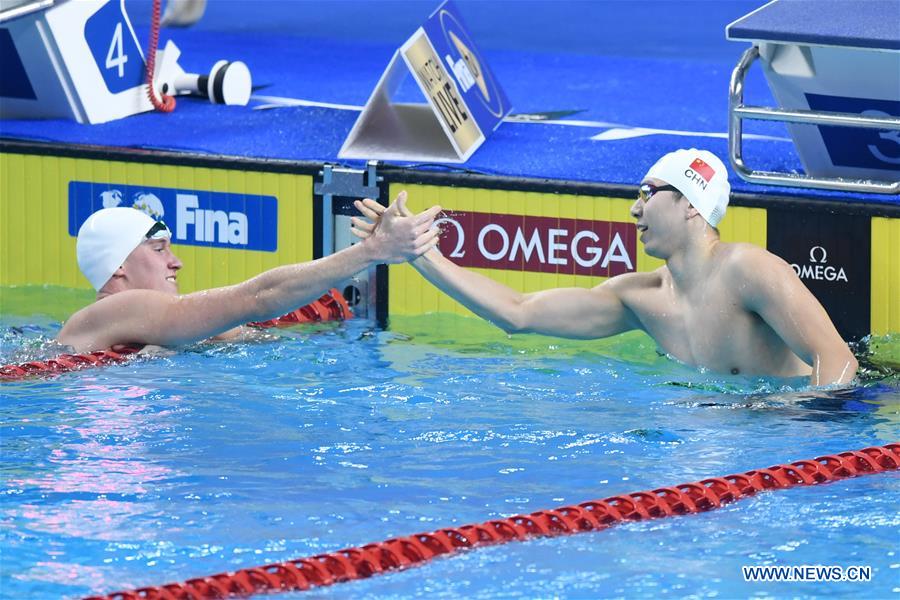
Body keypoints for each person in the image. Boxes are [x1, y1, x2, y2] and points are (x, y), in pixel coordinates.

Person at [351, 150, 858, 386]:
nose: (634, 209)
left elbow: (837, 362)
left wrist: (801, 446)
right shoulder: (640, 299)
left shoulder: (748, 268)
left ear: (690, 205)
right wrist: (421, 254)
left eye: (646, 194)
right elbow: (518, 312)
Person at [58, 196, 441, 353]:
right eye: (159, 250)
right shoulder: (119, 308)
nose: (176, 263)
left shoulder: (147, 325)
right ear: (119, 266)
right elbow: (255, 299)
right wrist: (371, 252)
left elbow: (255, 335)